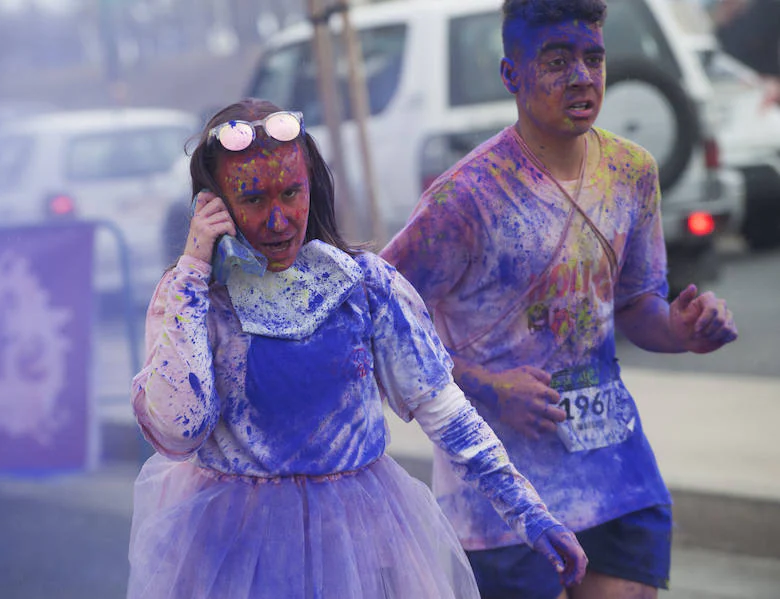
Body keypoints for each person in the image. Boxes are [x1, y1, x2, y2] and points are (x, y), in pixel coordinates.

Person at [126, 97, 588, 599]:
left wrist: (528, 511)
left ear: (313, 188)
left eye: (291, 193)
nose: (279, 219)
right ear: (212, 205)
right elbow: (179, 429)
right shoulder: (192, 299)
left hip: (360, 551)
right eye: (254, 199)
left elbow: (443, 409)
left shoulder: (361, 285)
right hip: (235, 561)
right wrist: (194, 267)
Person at [380, 1, 739, 598]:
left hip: (616, 477)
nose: (581, 76)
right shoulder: (463, 201)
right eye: (556, 60)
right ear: (511, 74)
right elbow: (382, 326)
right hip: (502, 499)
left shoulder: (632, 172)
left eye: (592, 58)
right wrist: (488, 385)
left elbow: (635, 305)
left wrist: (682, 330)